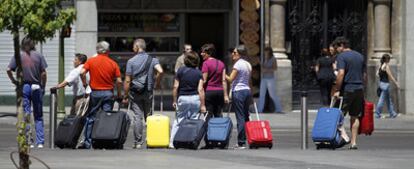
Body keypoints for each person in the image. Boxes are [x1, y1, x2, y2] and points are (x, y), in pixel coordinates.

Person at [78, 41, 123, 149]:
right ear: (107, 50)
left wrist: (85, 84)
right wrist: (119, 94)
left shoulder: (91, 61)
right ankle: (105, 141)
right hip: (108, 93)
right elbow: (119, 81)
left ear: (97, 50)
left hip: (95, 93)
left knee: (91, 117)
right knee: (107, 117)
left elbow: (82, 72)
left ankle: (88, 142)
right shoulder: (113, 63)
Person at [7, 37, 48, 149]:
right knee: (38, 115)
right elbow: (43, 74)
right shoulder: (39, 56)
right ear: (33, 44)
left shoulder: (18, 56)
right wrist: (43, 86)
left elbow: (8, 69)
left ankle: (28, 140)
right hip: (36, 86)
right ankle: (40, 142)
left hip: (24, 86)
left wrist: (14, 81)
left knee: (26, 114)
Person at [122, 39, 164, 149]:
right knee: (149, 116)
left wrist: (125, 95)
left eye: (133, 47)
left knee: (137, 117)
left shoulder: (131, 61)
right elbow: (161, 71)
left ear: (137, 47)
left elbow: (127, 80)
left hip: (135, 92)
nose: (132, 49)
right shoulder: (153, 59)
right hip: (148, 91)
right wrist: (157, 83)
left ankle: (138, 142)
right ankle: (151, 141)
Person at [332, 37, 366, 150]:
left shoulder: (342, 56)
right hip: (359, 88)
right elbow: (364, 75)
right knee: (355, 116)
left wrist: (337, 89)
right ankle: (354, 142)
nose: (336, 50)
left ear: (342, 45)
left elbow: (341, 73)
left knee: (337, 115)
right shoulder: (360, 56)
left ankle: (345, 137)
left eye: (337, 47)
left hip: (347, 89)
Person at [170, 51, 206, 148]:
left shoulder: (180, 71)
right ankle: (189, 141)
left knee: (179, 120)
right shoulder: (199, 73)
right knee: (193, 121)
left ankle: (172, 142)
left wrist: (174, 100)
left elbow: (175, 87)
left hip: (183, 98)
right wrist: (203, 105)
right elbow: (200, 89)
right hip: (195, 98)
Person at [225, 45, 252, 149]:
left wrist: (222, 74)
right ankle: (249, 138)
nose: (232, 54)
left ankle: (241, 142)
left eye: (235, 53)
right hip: (247, 91)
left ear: (240, 54)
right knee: (246, 116)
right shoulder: (248, 64)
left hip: (239, 91)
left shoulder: (238, 64)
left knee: (240, 117)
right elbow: (249, 81)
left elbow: (231, 79)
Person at [200, 43, 229, 119]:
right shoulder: (222, 64)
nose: (201, 54)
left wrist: (199, 89)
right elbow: (223, 80)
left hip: (209, 92)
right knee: (218, 115)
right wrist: (226, 95)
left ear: (209, 53)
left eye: (203, 52)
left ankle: (208, 130)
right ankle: (219, 130)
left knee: (208, 116)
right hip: (220, 92)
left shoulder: (205, 64)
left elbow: (204, 80)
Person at [257, 47, 283, 113]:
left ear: (269, 52)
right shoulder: (264, 59)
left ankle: (279, 109)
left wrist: (266, 70)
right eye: (265, 51)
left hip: (270, 78)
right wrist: (260, 63)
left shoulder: (273, 59)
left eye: (266, 51)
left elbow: (275, 68)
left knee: (272, 94)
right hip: (264, 78)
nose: (265, 52)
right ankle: (260, 109)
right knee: (262, 94)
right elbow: (262, 67)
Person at [375, 54, 400, 118]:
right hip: (385, 84)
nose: (389, 60)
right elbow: (390, 75)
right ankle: (377, 114)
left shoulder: (381, 66)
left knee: (388, 100)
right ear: (386, 59)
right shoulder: (386, 66)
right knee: (382, 100)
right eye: (388, 59)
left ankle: (392, 113)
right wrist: (396, 83)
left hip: (381, 83)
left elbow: (377, 74)